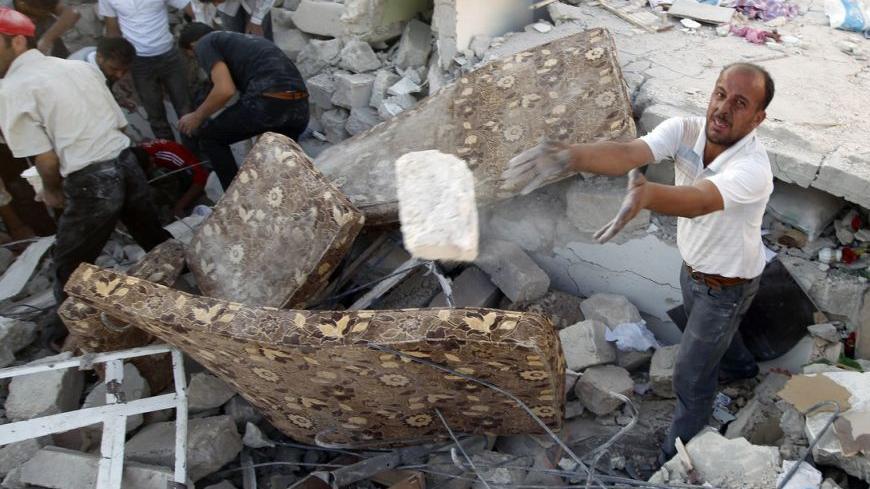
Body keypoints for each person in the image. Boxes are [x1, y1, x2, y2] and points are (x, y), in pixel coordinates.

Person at [502, 63, 775, 462]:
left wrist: (647, 196)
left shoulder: (752, 169)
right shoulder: (687, 130)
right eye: (719, 94)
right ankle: (740, 369)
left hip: (727, 285)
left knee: (690, 375)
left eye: (739, 102)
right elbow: (631, 152)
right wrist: (570, 156)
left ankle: (676, 456)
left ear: (758, 117)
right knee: (718, 339)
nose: (722, 108)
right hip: (694, 268)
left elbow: (699, 201)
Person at [0, 8, 171, 306]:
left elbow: (47, 160)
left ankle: (65, 336)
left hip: (92, 181)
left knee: (70, 266)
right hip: (126, 163)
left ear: (16, 42)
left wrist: (53, 191)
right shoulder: (77, 67)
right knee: (154, 238)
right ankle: (194, 291)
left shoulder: (12, 88)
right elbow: (118, 123)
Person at [178, 22, 308, 189]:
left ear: (193, 46)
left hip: (269, 101)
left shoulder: (204, 43)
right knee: (275, 170)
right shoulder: (241, 41)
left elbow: (225, 89)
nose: (200, 60)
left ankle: (234, 199)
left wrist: (197, 116)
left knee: (210, 137)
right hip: (299, 108)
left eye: (193, 56)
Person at [99, 0, 193, 142]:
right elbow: (112, 31)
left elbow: (190, 7)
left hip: (169, 55)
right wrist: (119, 66)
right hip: (138, 62)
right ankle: (171, 156)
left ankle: (196, 155)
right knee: (155, 116)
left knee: (185, 109)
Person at [131, 139, 210, 217]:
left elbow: (201, 178)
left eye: (151, 165)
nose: (154, 166)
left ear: (151, 159)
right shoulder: (137, 156)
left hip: (192, 172)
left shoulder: (171, 154)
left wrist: (179, 206)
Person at [1, 0, 79, 57]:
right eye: (39, 11)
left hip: (57, 58)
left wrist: (46, 40)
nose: (43, 13)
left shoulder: (42, 3)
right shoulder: (6, 15)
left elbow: (73, 13)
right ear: (22, 4)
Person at [68, 36, 135, 83]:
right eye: (114, 69)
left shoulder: (101, 53)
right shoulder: (78, 74)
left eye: (125, 70)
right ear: (100, 57)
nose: (119, 75)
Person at [209, 0, 274, 40]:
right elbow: (200, 8)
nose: (216, 4)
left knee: (260, 40)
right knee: (234, 41)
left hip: (258, 3)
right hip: (227, 8)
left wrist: (256, 19)